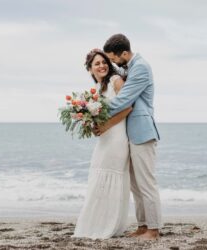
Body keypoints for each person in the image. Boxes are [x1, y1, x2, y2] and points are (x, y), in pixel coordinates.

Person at [96, 34, 162, 240]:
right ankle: (143, 226)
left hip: (142, 132)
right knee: (135, 184)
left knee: (146, 183)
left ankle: (154, 229)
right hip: (131, 134)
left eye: (113, 58)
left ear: (124, 53)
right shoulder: (130, 67)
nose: (112, 62)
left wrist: (97, 111)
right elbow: (110, 70)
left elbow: (124, 99)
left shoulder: (141, 67)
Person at [72, 49, 132, 239]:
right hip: (105, 139)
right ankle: (95, 223)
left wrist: (106, 125)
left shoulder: (116, 81)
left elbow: (129, 106)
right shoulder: (96, 91)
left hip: (117, 137)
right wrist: (90, 124)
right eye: (97, 64)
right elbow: (97, 116)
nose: (102, 66)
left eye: (104, 62)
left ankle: (108, 226)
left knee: (109, 177)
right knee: (97, 176)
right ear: (90, 70)